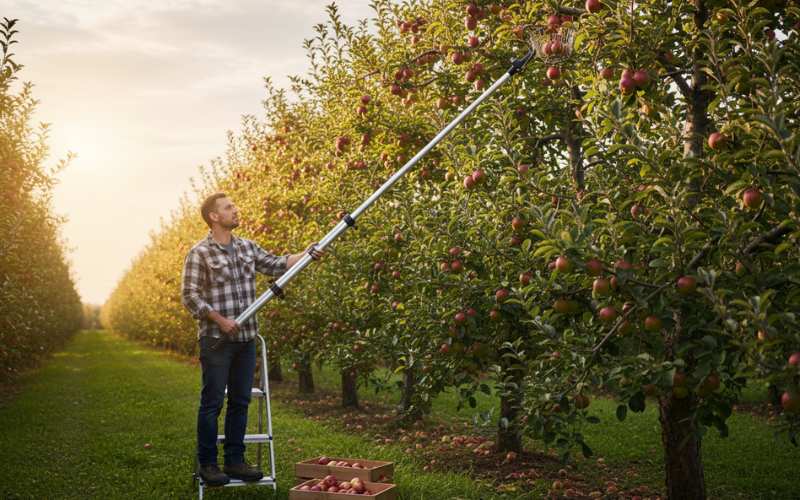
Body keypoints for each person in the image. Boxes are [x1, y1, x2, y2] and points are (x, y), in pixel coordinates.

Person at [181, 192, 324, 486]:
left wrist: (306, 253)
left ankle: (235, 461)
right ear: (214, 216)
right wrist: (221, 320)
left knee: (240, 401)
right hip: (216, 340)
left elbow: (276, 263)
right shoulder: (200, 253)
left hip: (246, 339)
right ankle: (208, 464)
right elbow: (189, 296)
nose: (235, 210)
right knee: (212, 403)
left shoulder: (247, 247)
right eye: (228, 207)